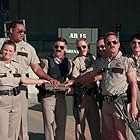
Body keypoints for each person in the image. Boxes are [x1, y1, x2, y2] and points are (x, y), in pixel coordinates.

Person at [66, 32, 138, 140]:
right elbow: (90, 75)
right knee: (109, 133)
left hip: (119, 102)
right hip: (105, 103)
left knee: (120, 134)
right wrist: (74, 81)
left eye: (114, 42)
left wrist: (133, 105)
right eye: (108, 43)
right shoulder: (102, 62)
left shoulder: (127, 61)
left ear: (118, 44)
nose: (112, 45)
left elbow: (133, 84)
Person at [0, 20, 59, 140]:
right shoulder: (1, 43)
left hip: (20, 90)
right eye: (20, 31)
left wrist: (48, 78)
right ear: (11, 30)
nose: (22, 33)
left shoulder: (28, 48)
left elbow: (36, 68)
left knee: (21, 125)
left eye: (24, 32)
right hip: (2, 90)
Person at [0, 40, 48, 140]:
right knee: (3, 134)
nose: (7, 53)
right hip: (2, 103)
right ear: (1, 50)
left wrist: (41, 81)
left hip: (16, 102)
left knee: (13, 134)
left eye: (10, 51)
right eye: (5, 50)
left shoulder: (16, 66)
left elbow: (24, 80)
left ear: (13, 52)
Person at [38, 37, 72, 140]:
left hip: (61, 97)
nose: (59, 49)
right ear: (53, 47)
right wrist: (49, 81)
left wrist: (69, 85)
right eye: (56, 46)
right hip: (48, 97)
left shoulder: (69, 63)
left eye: (61, 47)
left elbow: (70, 78)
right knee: (49, 124)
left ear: (65, 49)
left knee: (61, 124)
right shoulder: (46, 61)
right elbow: (42, 77)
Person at [71, 38, 101, 140]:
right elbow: (76, 79)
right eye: (79, 48)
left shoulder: (93, 58)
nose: (82, 49)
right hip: (81, 95)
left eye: (84, 47)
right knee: (80, 125)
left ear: (88, 46)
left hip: (92, 95)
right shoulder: (76, 61)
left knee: (95, 124)